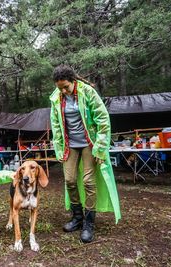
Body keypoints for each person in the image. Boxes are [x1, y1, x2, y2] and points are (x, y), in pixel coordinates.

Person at [49, 64, 121, 243]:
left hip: (89, 143)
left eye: (66, 86)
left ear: (73, 81)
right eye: (60, 88)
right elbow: (56, 125)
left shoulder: (87, 92)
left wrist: (100, 147)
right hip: (70, 145)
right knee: (70, 180)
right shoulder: (57, 98)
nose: (63, 91)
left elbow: (103, 119)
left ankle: (89, 224)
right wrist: (59, 148)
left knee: (89, 181)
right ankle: (77, 218)